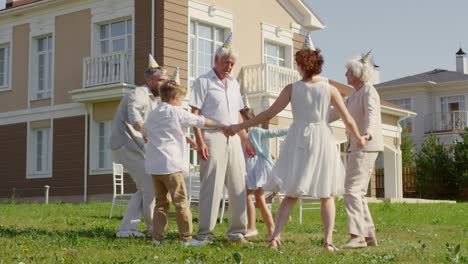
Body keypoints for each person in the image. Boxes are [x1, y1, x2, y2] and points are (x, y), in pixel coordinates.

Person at [224, 33, 368, 251]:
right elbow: (347, 118)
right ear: (318, 64)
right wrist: (359, 139)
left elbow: (269, 113)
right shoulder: (329, 89)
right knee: (326, 194)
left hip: (298, 139)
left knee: (291, 192)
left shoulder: (292, 88)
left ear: (301, 65)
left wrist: (239, 126)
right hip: (321, 140)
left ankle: (275, 237)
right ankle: (328, 242)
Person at [144, 68, 225, 246]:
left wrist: (186, 139)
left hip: (155, 167)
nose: (181, 103)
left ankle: (157, 238)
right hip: (171, 166)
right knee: (180, 203)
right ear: (174, 99)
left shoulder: (154, 114)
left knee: (160, 203)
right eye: (181, 99)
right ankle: (186, 238)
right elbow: (201, 121)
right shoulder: (176, 112)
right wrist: (221, 125)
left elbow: (146, 132)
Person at [189, 33, 255, 243]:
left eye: (232, 64)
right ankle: (204, 234)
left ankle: (236, 232)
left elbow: (236, 114)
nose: (229, 67)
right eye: (226, 62)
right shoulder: (203, 82)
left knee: (238, 184)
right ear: (215, 61)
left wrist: (245, 139)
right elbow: (194, 114)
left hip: (233, 137)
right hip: (212, 137)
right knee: (212, 185)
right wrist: (199, 142)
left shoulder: (234, 84)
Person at [109, 55, 167, 238]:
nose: (163, 84)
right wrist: (147, 132)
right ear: (149, 80)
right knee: (149, 185)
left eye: (164, 80)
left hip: (138, 147)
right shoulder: (138, 94)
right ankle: (152, 229)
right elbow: (135, 119)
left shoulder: (157, 99)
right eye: (160, 80)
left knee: (145, 187)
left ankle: (127, 228)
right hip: (125, 144)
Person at [338, 52, 384, 249]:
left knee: (351, 190)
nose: (345, 75)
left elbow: (372, 115)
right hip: (357, 145)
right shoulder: (353, 95)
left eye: (348, 71)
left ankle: (357, 236)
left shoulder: (368, 91)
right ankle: (369, 236)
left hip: (365, 145)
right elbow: (337, 112)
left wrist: (366, 135)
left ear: (357, 73)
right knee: (358, 192)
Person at [240, 108, 288, 238]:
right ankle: (271, 229)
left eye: (241, 118)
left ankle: (252, 227)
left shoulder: (255, 131)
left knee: (249, 196)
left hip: (259, 168)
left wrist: (294, 129)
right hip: (250, 168)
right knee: (259, 198)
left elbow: (274, 132)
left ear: (248, 120)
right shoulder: (240, 134)